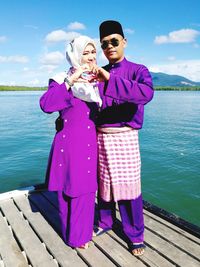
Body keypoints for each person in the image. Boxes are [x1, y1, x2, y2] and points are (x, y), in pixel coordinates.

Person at [92, 20, 154, 256]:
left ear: (124, 42)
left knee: (129, 190)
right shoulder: (96, 74)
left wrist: (109, 79)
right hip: (100, 136)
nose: (109, 46)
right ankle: (106, 222)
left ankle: (135, 235)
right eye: (104, 44)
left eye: (114, 41)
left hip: (125, 136)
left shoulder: (139, 70)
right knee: (103, 186)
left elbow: (145, 94)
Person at [40, 35, 101, 249]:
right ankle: (74, 236)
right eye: (86, 52)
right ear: (75, 55)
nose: (92, 57)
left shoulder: (97, 80)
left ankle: (80, 235)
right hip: (69, 145)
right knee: (67, 191)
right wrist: (70, 81)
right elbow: (46, 105)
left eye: (94, 52)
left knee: (85, 191)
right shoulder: (59, 79)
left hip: (89, 144)